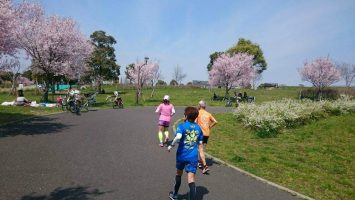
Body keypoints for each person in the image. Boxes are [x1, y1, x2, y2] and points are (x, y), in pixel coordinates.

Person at [167, 107, 204, 200]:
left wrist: (171, 145)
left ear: (186, 116)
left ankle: (175, 195)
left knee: (179, 173)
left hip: (181, 155)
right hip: (193, 156)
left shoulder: (182, 126)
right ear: (196, 116)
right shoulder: (198, 128)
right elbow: (200, 143)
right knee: (191, 179)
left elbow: (178, 136)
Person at [196, 100, 217, 174]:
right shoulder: (208, 114)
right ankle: (199, 162)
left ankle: (205, 166)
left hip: (200, 133)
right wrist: (210, 126)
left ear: (200, 105)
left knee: (200, 149)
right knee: (201, 148)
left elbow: (195, 123)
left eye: (198, 105)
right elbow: (215, 121)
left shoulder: (198, 113)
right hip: (207, 133)